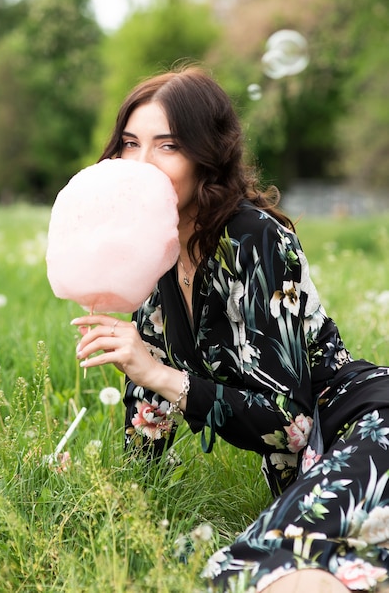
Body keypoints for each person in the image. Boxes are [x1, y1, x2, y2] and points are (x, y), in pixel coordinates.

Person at [71, 66, 389, 592]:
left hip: (364, 426)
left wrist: (161, 374)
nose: (141, 165)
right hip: (316, 462)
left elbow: (292, 424)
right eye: (130, 144)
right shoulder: (151, 249)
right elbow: (148, 410)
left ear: (205, 157)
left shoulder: (253, 239)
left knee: (249, 572)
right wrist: (115, 506)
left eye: (166, 146)